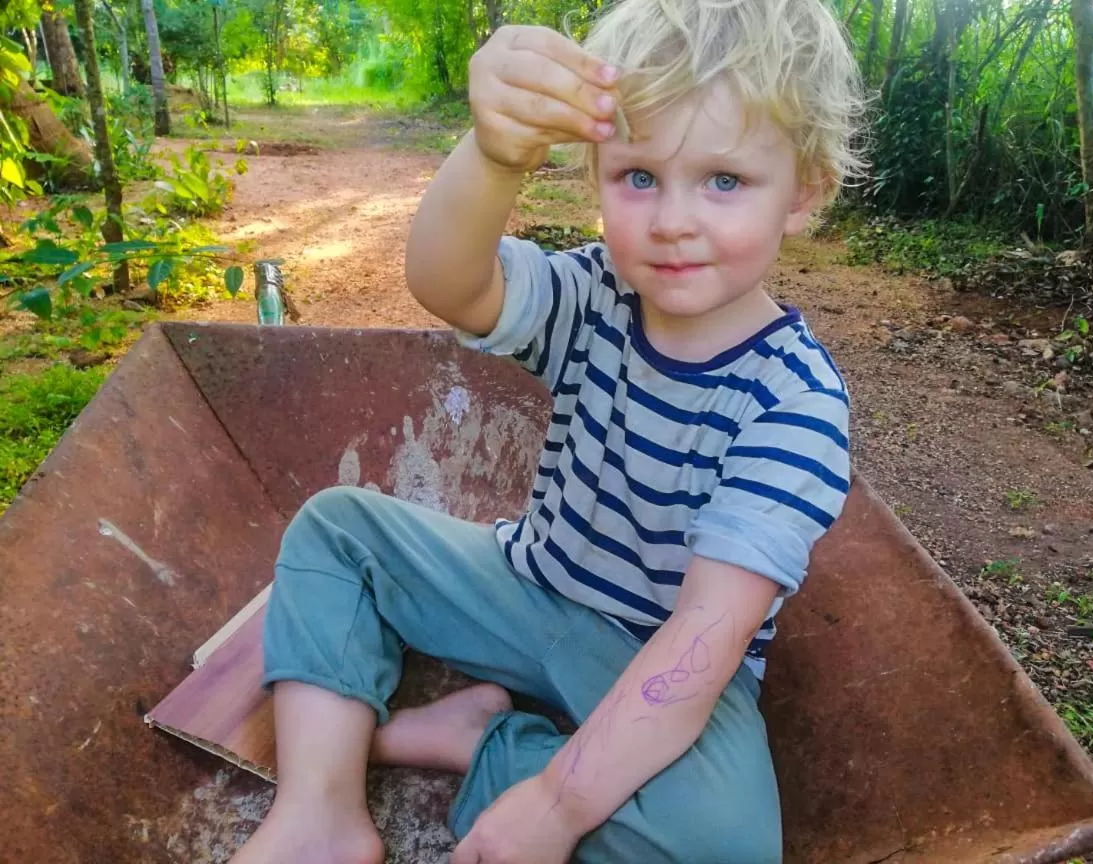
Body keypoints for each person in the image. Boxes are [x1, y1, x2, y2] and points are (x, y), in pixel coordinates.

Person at [231, 0, 865, 862]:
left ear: (807, 190)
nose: (673, 220)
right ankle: (321, 812)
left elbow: (699, 642)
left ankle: (481, 746)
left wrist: (558, 805)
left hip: (661, 661)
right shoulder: (597, 292)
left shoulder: (794, 402)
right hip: (528, 582)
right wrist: (496, 154)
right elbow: (449, 283)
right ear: (597, 171)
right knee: (337, 530)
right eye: (639, 176)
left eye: (724, 180)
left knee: (724, 844)